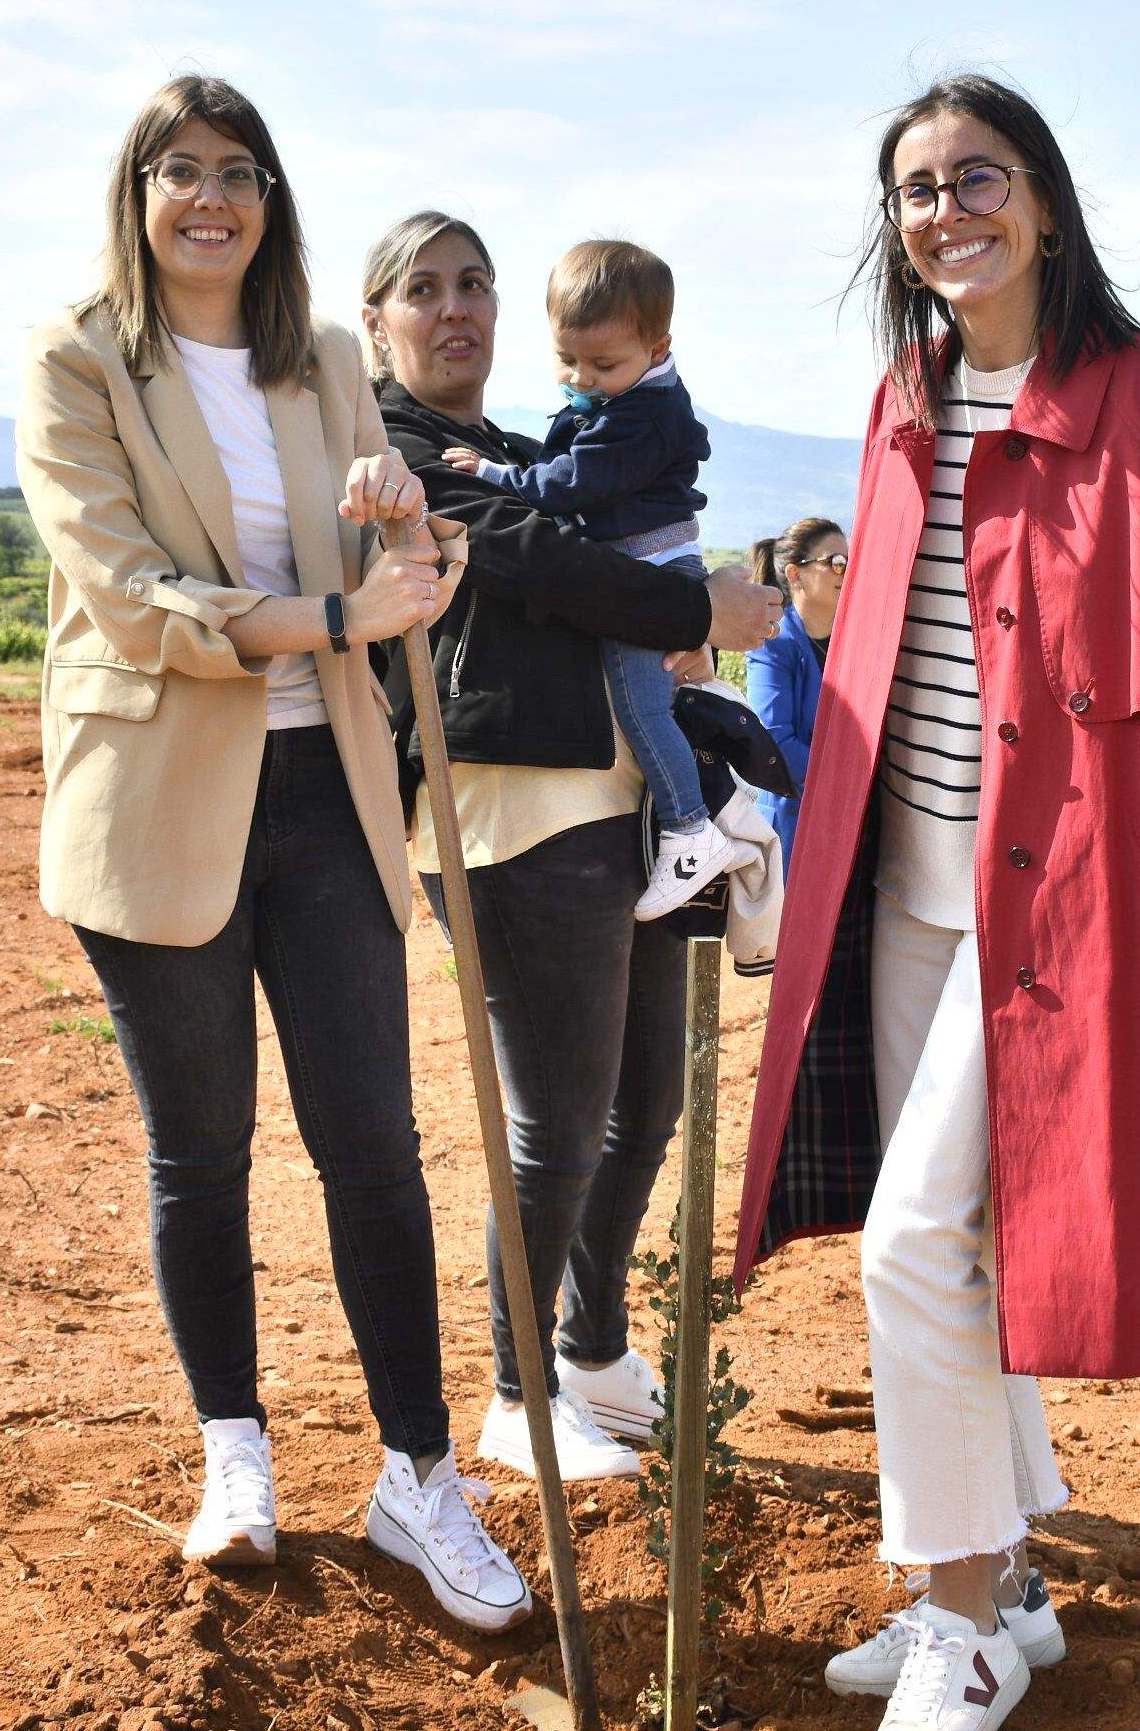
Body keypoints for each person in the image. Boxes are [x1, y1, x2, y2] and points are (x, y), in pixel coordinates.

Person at [729, 76, 1140, 1731]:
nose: (941, 213)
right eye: (911, 191)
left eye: (971, 178)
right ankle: (1009, 1589)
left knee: (915, 1246)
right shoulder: (900, 400)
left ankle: (962, 1620)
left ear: (1042, 200)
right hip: (900, 890)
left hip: (1057, 910)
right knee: (954, 1246)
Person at [15, 77, 529, 1633]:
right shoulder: (77, 360)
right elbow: (126, 593)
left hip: (328, 793)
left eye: (240, 171)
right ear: (141, 191)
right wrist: (329, 618)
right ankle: (233, 1454)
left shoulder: (322, 360)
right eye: (183, 172)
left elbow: (405, 566)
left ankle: (416, 1475)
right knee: (202, 1150)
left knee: (372, 1141)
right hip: (161, 798)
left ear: (271, 197)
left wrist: (397, 525)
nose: (212, 198)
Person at [359, 211, 786, 1483]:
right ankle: (516, 1390)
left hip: (618, 807)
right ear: (378, 319)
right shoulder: (397, 452)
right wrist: (697, 602)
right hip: (508, 815)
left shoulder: (523, 440)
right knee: (554, 1123)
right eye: (423, 290)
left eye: (475, 284)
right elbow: (537, 559)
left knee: (644, 1097)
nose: (456, 310)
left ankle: (593, 1344)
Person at [441, 239, 745, 920]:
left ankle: (691, 831)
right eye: (567, 358)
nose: (582, 376)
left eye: (603, 364)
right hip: (653, 565)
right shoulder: (632, 397)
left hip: (651, 568)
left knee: (642, 708)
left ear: (659, 345)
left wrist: (495, 476)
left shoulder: (638, 417)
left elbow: (571, 483)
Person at [744, 517, 846, 868]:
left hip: (850, 826)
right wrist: (846, 778)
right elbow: (774, 740)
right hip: (793, 826)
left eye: (849, 562)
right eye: (834, 562)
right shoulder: (773, 643)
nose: (844, 572)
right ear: (795, 573)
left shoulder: (854, 643)